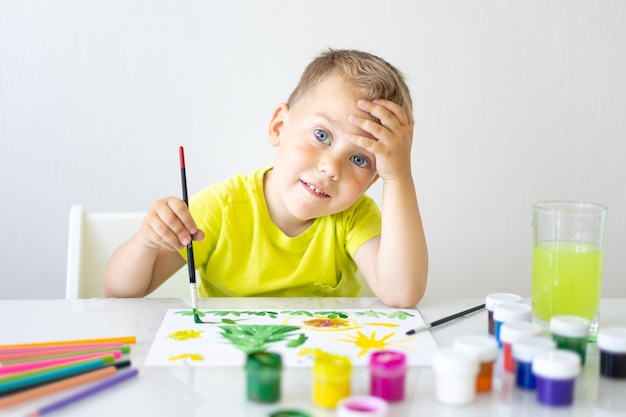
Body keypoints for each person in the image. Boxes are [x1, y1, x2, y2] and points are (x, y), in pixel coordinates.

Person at [104, 48, 428, 308]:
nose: (332, 167)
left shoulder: (354, 218)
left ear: (373, 179)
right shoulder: (222, 208)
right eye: (321, 135)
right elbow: (120, 292)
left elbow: (401, 294)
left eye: (359, 159)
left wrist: (398, 177)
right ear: (278, 127)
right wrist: (147, 241)